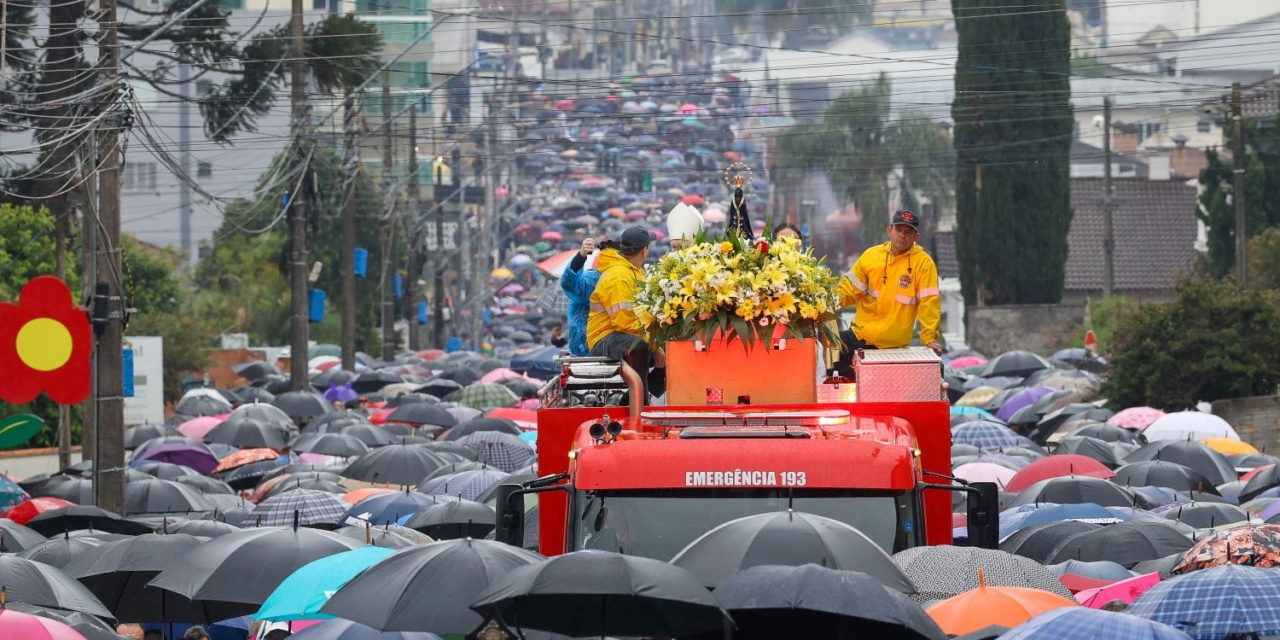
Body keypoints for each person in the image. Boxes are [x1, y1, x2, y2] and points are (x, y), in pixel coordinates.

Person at [834, 210, 942, 374]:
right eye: (899, 230)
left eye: (908, 232)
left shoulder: (924, 264)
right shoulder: (871, 256)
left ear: (916, 237)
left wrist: (929, 339)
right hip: (860, 335)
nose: (902, 236)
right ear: (889, 230)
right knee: (826, 349)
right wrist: (825, 304)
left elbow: (929, 303)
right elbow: (848, 290)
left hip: (891, 348)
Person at [587, 226, 665, 399]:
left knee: (675, 347)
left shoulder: (636, 271)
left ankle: (630, 400)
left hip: (626, 333)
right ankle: (639, 405)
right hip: (605, 337)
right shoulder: (618, 276)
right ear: (645, 250)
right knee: (638, 346)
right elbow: (625, 323)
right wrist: (654, 345)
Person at [560, 236, 601, 356]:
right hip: (586, 349)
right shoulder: (592, 279)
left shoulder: (628, 277)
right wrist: (581, 256)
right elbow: (570, 284)